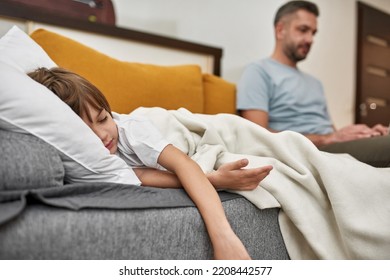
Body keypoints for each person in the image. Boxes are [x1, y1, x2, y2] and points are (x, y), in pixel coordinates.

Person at [28, 66, 273, 260]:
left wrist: (224, 238)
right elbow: (143, 176)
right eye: (85, 131)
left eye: (102, 118)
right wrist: (215, 180)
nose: (102, 135)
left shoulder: (131, 132)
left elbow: (183, 164)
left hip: (170, 127)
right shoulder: (89, 161)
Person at [236, 0, 390, 167]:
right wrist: (328, 138)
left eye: (313, 33)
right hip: (309, 151)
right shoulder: (259, 71)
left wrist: (361, 133)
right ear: (280, 30)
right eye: (303, 30)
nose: (310, 39)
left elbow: (330, 131)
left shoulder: (315, 83)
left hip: (330, 146)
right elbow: (257, 136)